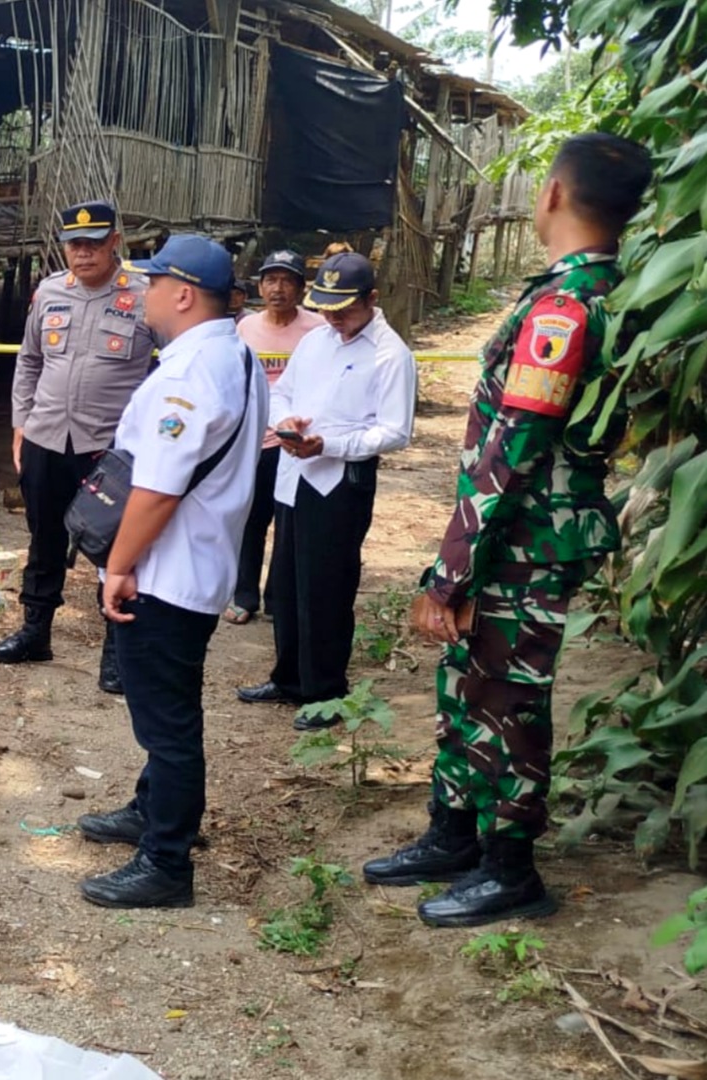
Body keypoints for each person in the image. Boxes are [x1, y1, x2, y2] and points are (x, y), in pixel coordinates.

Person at [364, 133, 653, 928]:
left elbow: (514, 445)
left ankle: (511, 864)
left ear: (554, 193)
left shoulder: (566, 305)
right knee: (467, 682)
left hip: (524, 537)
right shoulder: (598, 291)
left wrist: (452, 568)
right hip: (513, 535)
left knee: (508, 696)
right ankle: (454, 831)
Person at [75, 235, 266, 908]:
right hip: (197, 561)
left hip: (167, 572)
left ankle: (167, 862)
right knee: (165, 710)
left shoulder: (191, 372)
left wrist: (117, 567)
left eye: (153, 283)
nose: (143, 293)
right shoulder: (233, 352)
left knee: (168, 721)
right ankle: (151, 810)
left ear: (182, 294)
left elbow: (157, 488)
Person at [236, 252, 416, 718]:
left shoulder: (389, 354)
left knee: (328, 588)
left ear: (372, 299)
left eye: (346, 308)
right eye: (329, 307)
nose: (335, 317)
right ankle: (289, 677)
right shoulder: (317, 340)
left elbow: (394, 431)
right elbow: (281, 391)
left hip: (340, 481)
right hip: (294, 474)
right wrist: (286, 422)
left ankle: (325, 692)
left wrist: (328, 445)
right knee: (290, 581)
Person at [0, 200, 157, 695]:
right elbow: (29, 362)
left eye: (92, 243)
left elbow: (169, 372)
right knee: (43, 541)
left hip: (108, 447)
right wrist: (21, 425)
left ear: (114, 244)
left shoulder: (146, 297)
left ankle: (117, 655)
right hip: (46, 438)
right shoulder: (49, 293)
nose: (81, 254)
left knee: (114, 551)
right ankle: (34, 633)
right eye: (73, 244)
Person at [224, 250, 326, 624]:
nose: (278, 288)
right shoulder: (245, 328)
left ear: (301, 287)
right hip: (255, 440)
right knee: (250, 519)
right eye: (271, 280)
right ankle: (244, 594)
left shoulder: (317, 329)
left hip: (299, 443)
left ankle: (279, 599)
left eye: (287, 281)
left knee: (290, 522)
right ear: (259, 286)